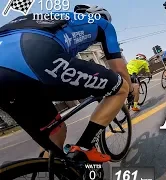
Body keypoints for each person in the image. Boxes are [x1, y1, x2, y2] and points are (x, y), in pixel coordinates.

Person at [0, 4, 134, 162]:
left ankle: (52, 170)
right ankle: (85, 148)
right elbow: (119, 69)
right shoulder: (103, 25)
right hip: (35, 52)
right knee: (120, 87)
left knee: (55, 132)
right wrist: (131, 90)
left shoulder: (47, 17)